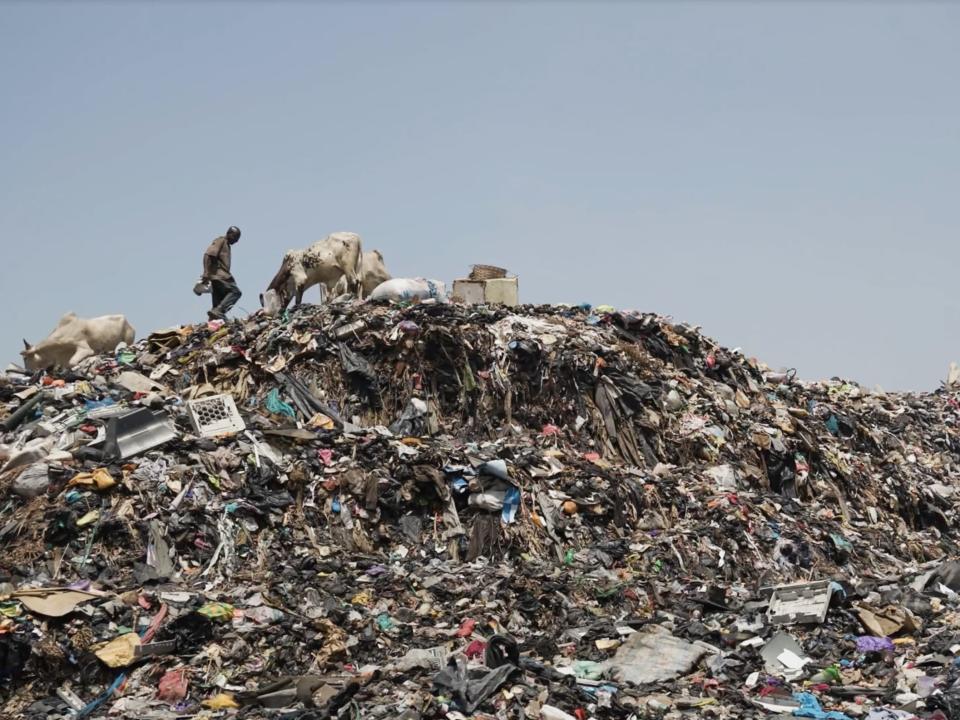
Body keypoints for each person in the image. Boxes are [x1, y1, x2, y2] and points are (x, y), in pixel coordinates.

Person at [202, 226, 242, 320]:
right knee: (235, 292)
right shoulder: (221, 241)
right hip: (220, 276)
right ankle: (219, 311)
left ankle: (213, 322)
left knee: (217, 304)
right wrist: (206, 272)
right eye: (235, 237)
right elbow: (208, 255)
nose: (236, 241)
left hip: (217, 278)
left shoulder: (227, 245)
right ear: (229, 234)